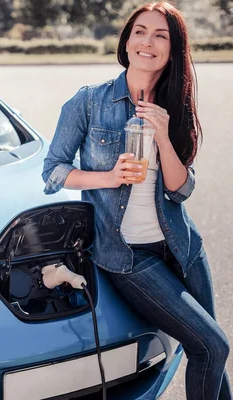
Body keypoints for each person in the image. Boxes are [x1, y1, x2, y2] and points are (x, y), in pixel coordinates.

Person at [42, 2, 230, 399]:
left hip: (182, 246)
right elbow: (53, 172)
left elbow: (181, 190)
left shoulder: (174, 104)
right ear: (126, 41)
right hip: (129, 257)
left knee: (210, 349)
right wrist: (108, 177)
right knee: (212, 346)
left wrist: (162, 135)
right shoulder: (89, 102)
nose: (148, 42)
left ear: (173, 50)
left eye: (161, 35)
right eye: (140, 31)